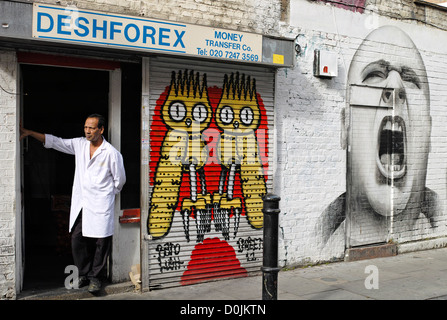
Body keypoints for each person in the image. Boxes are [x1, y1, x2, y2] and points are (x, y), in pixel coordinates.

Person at [316, 26, 440, 247]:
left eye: (410, 80)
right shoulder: (318, 243)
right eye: (375, 75)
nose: (395, 86)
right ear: (346, 127)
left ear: (429, 133)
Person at [20, 114, 126, 293]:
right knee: (77, 238)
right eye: (85, 127)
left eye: (91, 128)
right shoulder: (80, 145)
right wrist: (30, 133)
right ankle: (84, 273)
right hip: (83, 203)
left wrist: (105, 194)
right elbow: (56, 142)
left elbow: (120, 181)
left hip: (101, 204)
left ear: (101, 130)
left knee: (102, 242)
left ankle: (96, 278)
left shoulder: (111, 154)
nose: (87, 131)